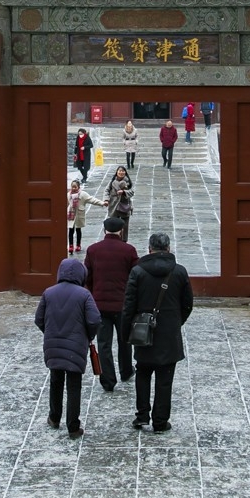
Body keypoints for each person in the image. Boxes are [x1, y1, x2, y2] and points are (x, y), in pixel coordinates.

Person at [122, 232, 194, 432]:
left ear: (149, 249)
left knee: (142, 374)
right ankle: (161, 421)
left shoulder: (137, 272)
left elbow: (128, 306)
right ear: (169, 248)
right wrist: (176, 322)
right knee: (165, 379)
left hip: (143, 331)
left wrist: (126, 331)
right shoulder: (179, 272)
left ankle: (142, 415)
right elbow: (188, 303)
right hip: (169, 333)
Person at [35, 258, 100, 437]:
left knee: (56, 380)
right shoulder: (84, 295)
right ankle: (73, 426)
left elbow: (38, 319)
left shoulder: (48, 293)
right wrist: (87, 335)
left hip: (53, 345)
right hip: (76, 346)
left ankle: (54, 418)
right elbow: (94, 320)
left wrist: (49, 333)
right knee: (74, 385)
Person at [83, 217, 139, 391]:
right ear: (121, 231)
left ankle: (108, 380)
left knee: (104, 343)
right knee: (125, 341)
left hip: (99, 305)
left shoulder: (93, 250)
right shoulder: (129, 250)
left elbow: (87, 278)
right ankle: (126, 370)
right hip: (122, 305)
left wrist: (90, 298)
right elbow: (135, 277)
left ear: (104, 230)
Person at [65, 179, 102, 254]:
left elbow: (92, 199)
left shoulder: (83, 194)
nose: (73, 188)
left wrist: (101, 203)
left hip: (79, 214)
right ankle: (71, 245)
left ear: (78, 187)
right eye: (72, 187)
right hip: (71, 214)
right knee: (70, 230)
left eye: (75, 187)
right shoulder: (69, 194)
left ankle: (78, 245)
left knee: (78, 230)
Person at [104, 166, 134, 232]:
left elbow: (132, 192)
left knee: (124, 224)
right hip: (114, 204)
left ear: (125, 172)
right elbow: (107, 190)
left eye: (123, 171)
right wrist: (106, 199)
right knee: (114, 223)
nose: (121, 172)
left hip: (124, 204)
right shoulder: (112, 181)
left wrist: (124, 192)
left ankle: (124, 239)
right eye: (119, 171)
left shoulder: (128, 182)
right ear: (117, 172)